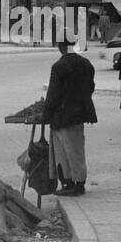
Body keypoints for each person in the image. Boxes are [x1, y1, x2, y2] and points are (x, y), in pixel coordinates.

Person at [41, 37, 98, 196]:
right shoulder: (86, 63)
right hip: (79, 114)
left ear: (60, 46)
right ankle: (76, 183)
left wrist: (45, 116)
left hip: (61, 116)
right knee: (76, 150)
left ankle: (71, 184)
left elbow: (53, 94)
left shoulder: (59, 66)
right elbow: (91, 87)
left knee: (63, 152)